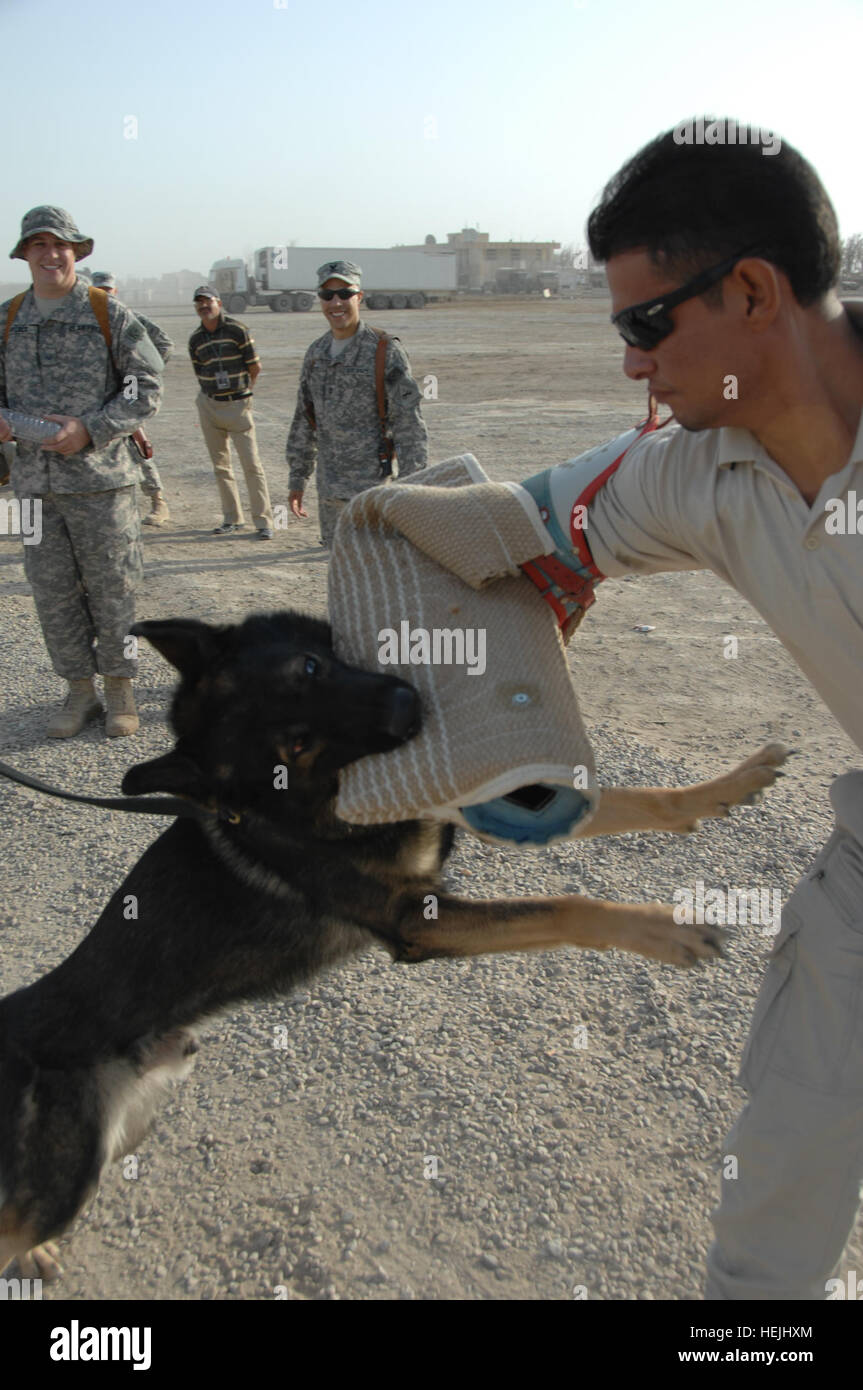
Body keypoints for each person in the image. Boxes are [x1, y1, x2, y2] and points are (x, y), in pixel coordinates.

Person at [528, 123, 863, 1299]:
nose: (631, 365)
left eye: (643, 325)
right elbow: (498, 535)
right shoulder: (693, 470)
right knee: (781, 1170)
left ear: (754, 291)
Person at [0, 206, 163, 738]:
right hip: (30, 487)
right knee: (50, 590)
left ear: (77, 251)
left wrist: (91, 427)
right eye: (39, 245)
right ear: (24, 254)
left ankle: (120, 688)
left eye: (60, 245)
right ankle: (78, 692)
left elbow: (145, 385)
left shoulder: (105, 313)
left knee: (115, 587)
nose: (50, 254)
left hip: (102, 482)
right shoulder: (7, 318)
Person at [286, 260, 428, 547]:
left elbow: (409, 424)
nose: (336, 302)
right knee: (339, 575)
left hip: (373, 491)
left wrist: (413, 488)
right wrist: (298, 479)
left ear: (359, 297)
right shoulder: (316, 353)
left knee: (378, 575)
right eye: (327, 296)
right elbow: (305, 419)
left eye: (344, 294)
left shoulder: (384, 350)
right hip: (329, 494)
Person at [188, 285, 274, 539]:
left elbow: (254, 366)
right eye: (199, 303)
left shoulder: (237, 330)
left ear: (219, 303)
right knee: (221, 466)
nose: (204, 306)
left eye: (208, 301)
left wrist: (245, 393)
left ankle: (264, 522)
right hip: (209, 405)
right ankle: (232, 518)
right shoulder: (196, 339)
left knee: (252, 465)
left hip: (238, 404)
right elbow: (199, 371)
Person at [91, 271, 172, 526]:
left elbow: (164, 345)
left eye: (108, 291)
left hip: (126, 390)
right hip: (96, 395)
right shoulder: (85, 322)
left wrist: (142, 371)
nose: (104, 295)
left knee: (137, 443)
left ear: (115, 292)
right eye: (99, 291)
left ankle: (158, 500)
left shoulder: (129, 319)